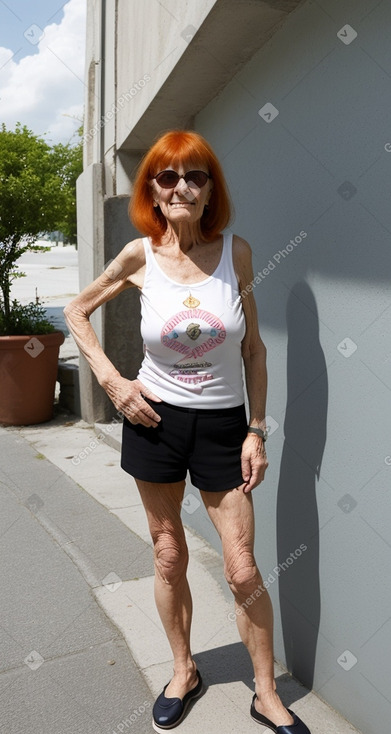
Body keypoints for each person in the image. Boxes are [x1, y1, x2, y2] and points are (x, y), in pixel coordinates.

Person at [64, 130, 311, 734]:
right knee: (168, 553)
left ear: (209, 192)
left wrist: (256, 429)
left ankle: (264, 692)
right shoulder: (139, 256)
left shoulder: (238, 254)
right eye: (167, 177)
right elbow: (76, 310)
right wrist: (114, 382)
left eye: (194, 176)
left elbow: (253, 349)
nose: (180, 186)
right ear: (152, 188)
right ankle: (183, 671)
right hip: (155, 421)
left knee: (243, 568)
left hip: (225, 426)